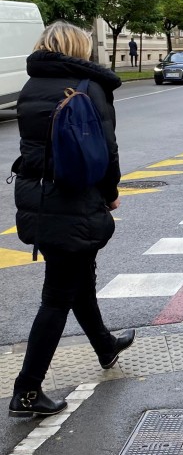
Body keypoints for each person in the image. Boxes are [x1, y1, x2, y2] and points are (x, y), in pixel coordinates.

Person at [9, 21, 135, 418]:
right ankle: (27, 391)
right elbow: (106, 151)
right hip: (74, 198)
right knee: (57, 296)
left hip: (37, 194)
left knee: (78, 276)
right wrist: (110, 193)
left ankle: (104, 345)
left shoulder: (30, 87)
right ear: (78, 48)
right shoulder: (87, 87)